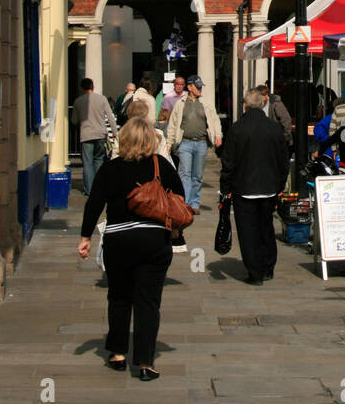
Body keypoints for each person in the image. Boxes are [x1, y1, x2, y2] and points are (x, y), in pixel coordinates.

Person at [77, 116, 183, 381]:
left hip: (119, 241)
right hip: (153, 241)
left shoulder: (110, 169)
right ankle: (146, 363)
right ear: (151, 140)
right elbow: (180, 200)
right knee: (148, 302)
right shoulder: (162, 167)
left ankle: (117, 353)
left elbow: (94, 204)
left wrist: (85, 237)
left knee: (119, 297)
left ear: (123, 140)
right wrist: (177, 232)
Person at [220, 88, 290, 285]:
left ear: (245, 105)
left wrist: (225, 188)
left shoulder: (237, 128)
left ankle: (255, 271)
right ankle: (268, 266)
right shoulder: (273, 128)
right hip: (268, 186)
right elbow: (283, 159)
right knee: (266, 226)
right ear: (262, 104)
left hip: (244, 187)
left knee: (248, 230)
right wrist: (280, 183)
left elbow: (228, 162)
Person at [165, 75, 222, 214]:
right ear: (189, 87)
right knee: (185, 174)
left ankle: (194, 202)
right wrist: (169, 142)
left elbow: (214, 120)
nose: (200, 89)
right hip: (185, 143)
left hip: (201, 142)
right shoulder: (180, 104)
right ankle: (185, 204)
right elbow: (173, 124)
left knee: (197, 175)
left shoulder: (206, 103)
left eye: (201, 86)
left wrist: (218, 135)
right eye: (197, 87)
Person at [71, 78, 118, 195]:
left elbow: (74, 120)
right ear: (93, 86)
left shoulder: (78, 101)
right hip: (101, 134)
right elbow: (110, 117)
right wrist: (115, 133)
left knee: (87, 163)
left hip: (86, 135)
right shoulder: (102, 99)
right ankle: (100, 188)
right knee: (99, 160)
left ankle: (89, 190)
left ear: (82, 88)